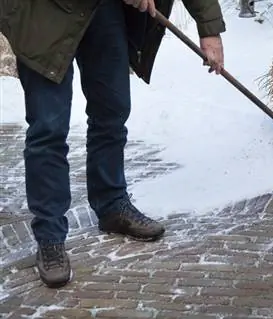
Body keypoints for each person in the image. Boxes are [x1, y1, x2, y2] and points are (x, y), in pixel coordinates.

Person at [0, 0, 225, 288]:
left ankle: (111, 205)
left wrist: (209, 29)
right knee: (49, 128)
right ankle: (50, 236)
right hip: (43, 14)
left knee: (112, 113)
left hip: (104, 11)